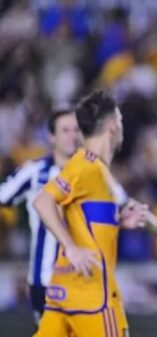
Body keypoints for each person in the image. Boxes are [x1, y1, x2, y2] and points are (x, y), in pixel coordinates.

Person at [32, 91, 148, 337]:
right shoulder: (87, 166)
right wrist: (71, 247)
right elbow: (43, 201)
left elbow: (82, 218)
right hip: (94, 297)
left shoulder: (96, 170)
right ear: (111, 126)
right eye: (120, 119)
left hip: (65, 292)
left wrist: (118, 221)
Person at [0, 109, 81, 325]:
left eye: (76, 130)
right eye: (65, 130)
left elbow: (120, 204)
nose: (72, 135)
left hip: (84, 280)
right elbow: (3, 195)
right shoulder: (35, 172)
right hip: (45, 279)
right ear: (52, 136)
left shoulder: (93, 173)